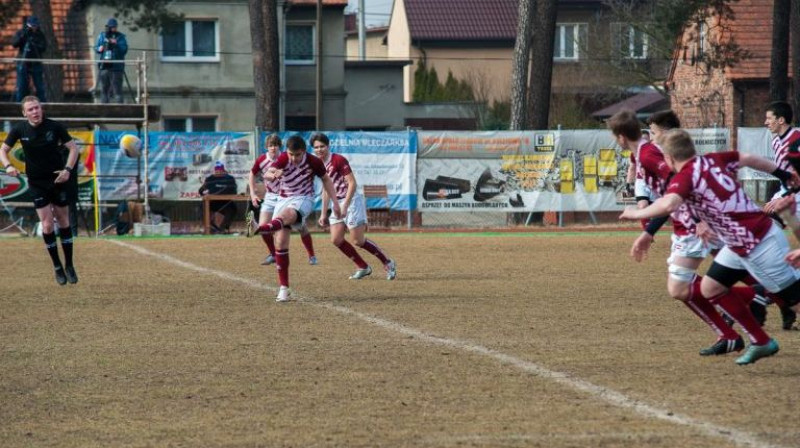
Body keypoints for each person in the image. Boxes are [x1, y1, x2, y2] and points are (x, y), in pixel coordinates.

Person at [620, 128, 800, 365]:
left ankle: (761, 330)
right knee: (711, 288)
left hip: (757, 244)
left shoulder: (685, 177)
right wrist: (780, 173)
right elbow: (747, 158)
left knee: (795, 303)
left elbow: (670, 203)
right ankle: (761, 340)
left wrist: (636, 213)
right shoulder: (713, 159)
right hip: (739, 244)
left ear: (669, 158)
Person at [610, 109, 761, 358]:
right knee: (725, 268)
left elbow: (677, 179)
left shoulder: (648, 154)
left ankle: (752, 303)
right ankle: (745, 315)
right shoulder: (641, 154)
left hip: (690, 223)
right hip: (687, 221)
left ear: (621, 137)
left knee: (682, 287)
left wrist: (697, 219)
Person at [250, 135, 342, 302]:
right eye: (291, 154)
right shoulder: (284, 158)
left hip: (304, 198)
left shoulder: (313, 161)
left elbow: (326, 180)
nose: (294, 158)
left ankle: (259, 229)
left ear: (304, 152)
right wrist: (273, 175)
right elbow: (268, 174)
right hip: (283, 199)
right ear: (287, 152)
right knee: (281, 242)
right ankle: (284, 288)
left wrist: (335, 204)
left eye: (297, 155)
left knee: (289, 215)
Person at [0, 96, 78, 285]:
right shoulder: (19, 129)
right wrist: (9, 166)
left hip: (58, 179)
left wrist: (67, 170)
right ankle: (57, 267)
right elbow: (2, 151)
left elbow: (74, 149)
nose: (35, 112)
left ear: (41, 109)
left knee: (63, 221)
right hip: (36, 182)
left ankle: (69, 264)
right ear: (24, 113)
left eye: (37, 108)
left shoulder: (55, 127)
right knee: (47, 225)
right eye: (31, 109)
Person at [311, 133, 397, 281]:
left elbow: (352, 183)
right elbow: (326, 189)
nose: (319, 150)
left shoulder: (338, 160)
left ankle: (387, 262)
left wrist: (345, 205)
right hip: (336, 203)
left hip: (350, 202)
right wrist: (323, 213)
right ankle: (363, 267)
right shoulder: (318, 164)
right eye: (316, 147)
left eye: (322, 146)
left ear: (328, 146)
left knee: (358, 241)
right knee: (337, 240)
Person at [246, 134, 317, 265]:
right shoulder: (262, 159)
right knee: (265, 227)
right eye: (270, 145)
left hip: (288, 197)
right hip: (271, 196)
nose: (273, 148)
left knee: (301, 228)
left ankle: (312, 255)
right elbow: (253, 174)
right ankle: (273, 254)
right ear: (266, 147)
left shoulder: (287, 157)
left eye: (275, 145)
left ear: (280, 146)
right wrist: (253, 193)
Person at [761, 101, 800, 329]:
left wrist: (784, 196)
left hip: (795, 197)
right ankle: (780, 299)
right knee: (763, 235)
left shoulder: (796, 141)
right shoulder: (778, 141)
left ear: (781, 120)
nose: (766, 122)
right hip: (787, 195)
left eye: (769, 118)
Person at [12, 16, 47, 102]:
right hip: (23, 62)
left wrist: (34, 44)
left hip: (36, 62)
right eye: (32, 26)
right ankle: (19, 105)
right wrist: (23, 36)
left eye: (36, 26)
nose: (34, 28)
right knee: (22, 86)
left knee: (40, 86)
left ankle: (42, 105)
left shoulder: (40, 34)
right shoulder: (21, 33)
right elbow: (15, 44)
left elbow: (43, 47)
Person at [95, 18, 128, 104]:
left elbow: (124, 50)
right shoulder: (102, 36)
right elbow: (96, 47)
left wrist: (116, 44)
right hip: (104, 66)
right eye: (112, 27)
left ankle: (119, 111)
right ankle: (104, 110)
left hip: (116, 67)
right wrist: (100, 48)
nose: (113, 29)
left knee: (117, 90)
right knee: (104, 90)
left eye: (115, 27)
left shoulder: (120, 37)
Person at [199, 161, 238, 234]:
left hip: (225, 202)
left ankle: (223, 229)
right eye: (217, 170)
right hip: (211, 203)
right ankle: (210, 227)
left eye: (220, 170)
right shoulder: (210, 179)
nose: (219, 172)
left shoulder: (230, 179)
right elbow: (201, 191)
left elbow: (234, 191)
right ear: (215, 170)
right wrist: (204, 192)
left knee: (233, 209)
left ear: (223, 170)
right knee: (202, 206)